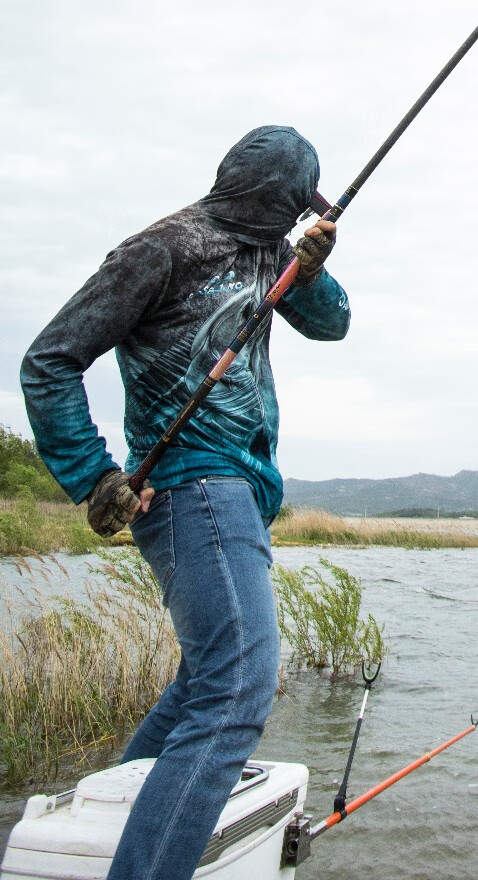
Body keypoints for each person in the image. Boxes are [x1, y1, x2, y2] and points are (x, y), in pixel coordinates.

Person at [21, 125, 350, 880]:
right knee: (236, 683)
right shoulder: (161, 249)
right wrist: (94, 476)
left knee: (207, 679)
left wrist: (314, 272)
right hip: (192, 487)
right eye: (298, 209)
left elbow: (333, 327)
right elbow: (49, 359)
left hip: (242, 494)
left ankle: (105, 832)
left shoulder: (273, 251)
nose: (300, 221)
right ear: (277, 198)